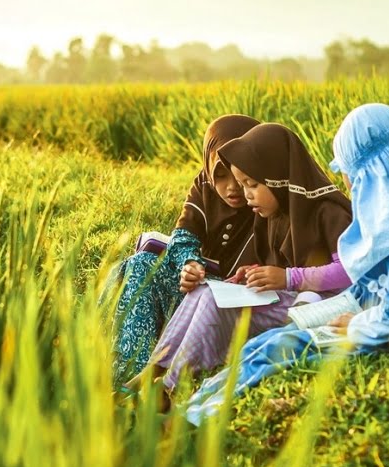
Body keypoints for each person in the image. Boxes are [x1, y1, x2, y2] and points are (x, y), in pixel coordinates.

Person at [183, 103, 389, 426]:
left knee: (275, 351)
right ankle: (194, 404)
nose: (345, 179)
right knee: (264, 343)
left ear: (366, 169)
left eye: (347, 169)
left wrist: (359, 325)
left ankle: (193, 419)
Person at [126, 122, 353, 400]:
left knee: (215, 300)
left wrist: (289, 278)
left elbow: (351, 271)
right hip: (290, 299)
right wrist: (256, 272)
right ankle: (154, 368)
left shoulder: (328, 212)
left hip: (319, 310)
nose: (246, 195)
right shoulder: (276, 214)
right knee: (204, 290)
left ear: (277, 177)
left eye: (252, 185)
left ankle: (170, 387)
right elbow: (282, 266)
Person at [108, 114, 262, 387]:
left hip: (235, 306)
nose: (232, 187)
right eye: (221, 175)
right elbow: (184, 235)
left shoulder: (265, 192)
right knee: (143, 263)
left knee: (205, 294)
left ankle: (161, 378)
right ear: (208, 165)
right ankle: (130, 370)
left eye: (240, 175)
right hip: (198, 289)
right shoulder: (204, 186)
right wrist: (190, 263)